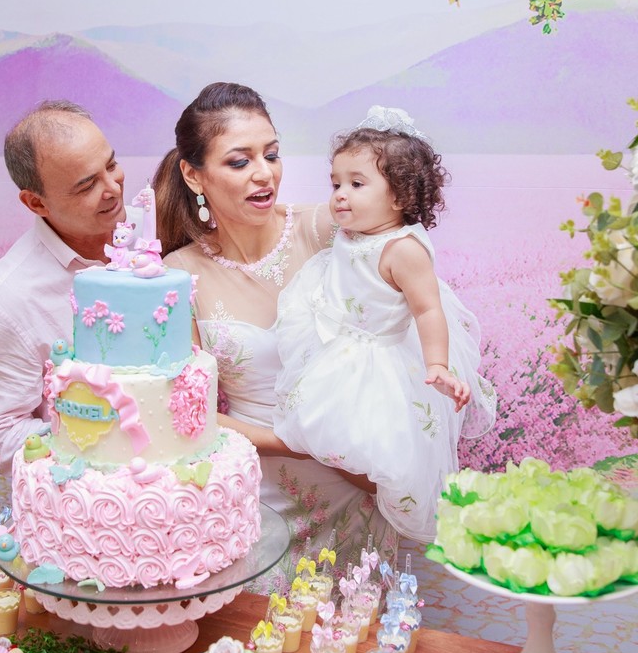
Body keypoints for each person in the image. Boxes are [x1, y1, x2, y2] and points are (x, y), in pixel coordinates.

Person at [154, 83, 399, 592]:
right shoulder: (178, 276)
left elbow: (403, 330)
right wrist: (300, 444)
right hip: (258, 501)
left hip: (355, 489)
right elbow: (185, 413)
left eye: (271, 154)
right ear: (193, 174)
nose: (264, 173)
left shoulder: (331, 230)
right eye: (239, 161)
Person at [272, 107, 497, 543]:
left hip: (379, 355)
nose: (340, 195)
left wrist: (438, 364)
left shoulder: (403, 250)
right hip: (340, 342)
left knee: (380, 438)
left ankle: (377, 501)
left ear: (399, 197)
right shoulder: (354, 232)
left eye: (356, 184)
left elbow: (428, 310)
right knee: (321, 423)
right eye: (336, 184)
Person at [0, 100, 137, 477]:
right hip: (85, 501)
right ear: (36, 202)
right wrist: (101, 442)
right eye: (87, 185)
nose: (113, 188)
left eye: (111, 165)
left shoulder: (151, 232)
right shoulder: (8, 299)